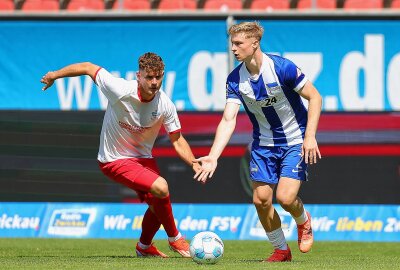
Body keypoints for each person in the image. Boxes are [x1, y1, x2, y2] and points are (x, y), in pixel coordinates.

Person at [41, 52, 202, 258]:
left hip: (143, 159)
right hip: (114, 159)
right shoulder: (119, 89)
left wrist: (194, 163)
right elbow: (88, 67)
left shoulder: (165, 105)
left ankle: (144, 248)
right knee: (161, 187)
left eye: (158, 77)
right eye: (149, 77)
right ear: (138, 76)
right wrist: (55, 75)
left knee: (158, 203)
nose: (154, 82)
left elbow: (177, 140)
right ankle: (175, 239)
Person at [194, 22, 322, 262]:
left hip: (295, 140)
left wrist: (310, 136)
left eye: (238, 43)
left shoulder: (282, 68)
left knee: (285, 198)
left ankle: (303, 220)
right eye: (232, 43)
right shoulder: (235, 80)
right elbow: (228, 119)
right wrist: (213, 156)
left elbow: (315, 97)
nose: (233, 48)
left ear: (255, 44)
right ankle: (281, 251)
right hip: (263, 145)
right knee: (261, 200)